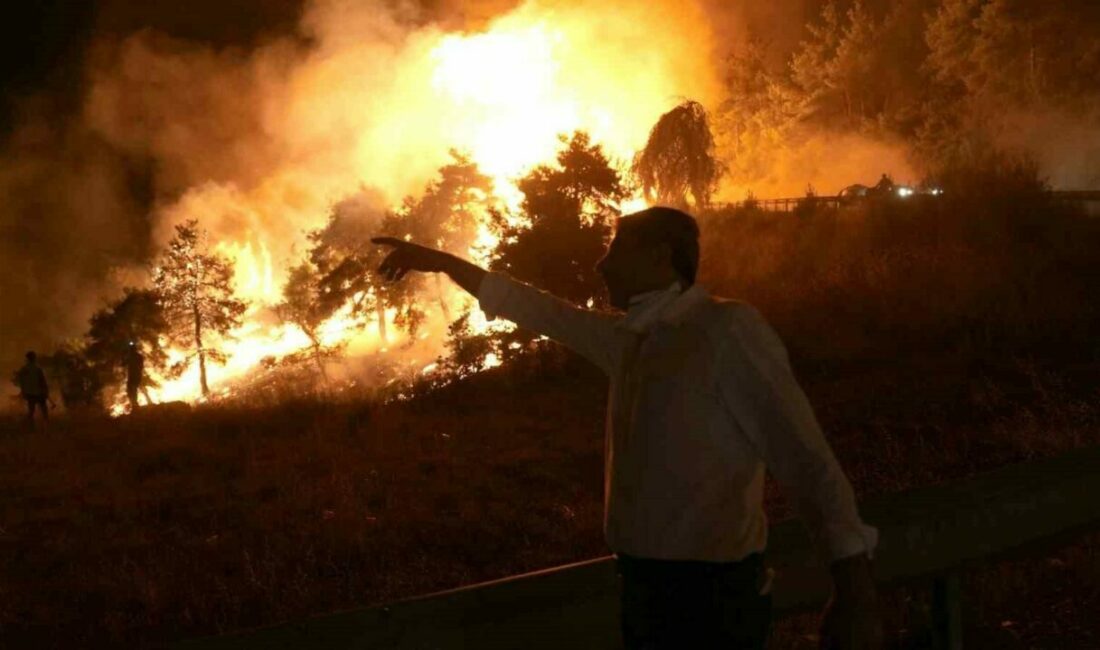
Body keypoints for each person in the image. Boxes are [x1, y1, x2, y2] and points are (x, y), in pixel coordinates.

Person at [373, 207, 883, 649]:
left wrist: (854, 590)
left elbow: (806, 458)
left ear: (661, 256)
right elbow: (535, 308)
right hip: (645, 591)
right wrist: (442, 262)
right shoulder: (632, 339)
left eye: (616, 248)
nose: (601, 263)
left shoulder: (725, 330)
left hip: (712, 602)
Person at [14, 351, 50, 427]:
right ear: (34, 358)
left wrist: (24, 390)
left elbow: (21, 380)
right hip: (38, 392)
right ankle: (46, 423)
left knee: (31, 410)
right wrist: (46, 391)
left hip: (29, 393)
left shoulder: (24, 369)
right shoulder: (38, 369)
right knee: (44, 409)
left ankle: (31, 425)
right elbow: (43, 381)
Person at [125, 342, 145, 413]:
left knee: (132, 390)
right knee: (133, 390)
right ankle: (134, 405)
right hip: (136, 376)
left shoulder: (131, 357)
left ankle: (135, 406)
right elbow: (141, 366)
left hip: (133, 376)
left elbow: (123, 363)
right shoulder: (139, 356)